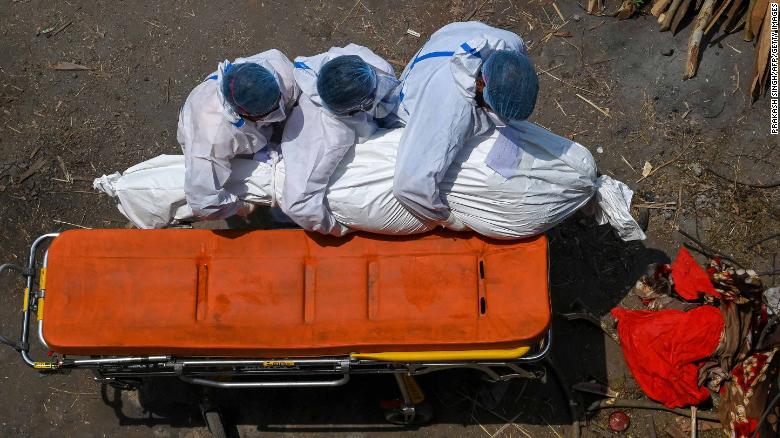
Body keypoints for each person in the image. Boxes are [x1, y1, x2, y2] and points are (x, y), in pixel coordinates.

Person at [392, 22, 538, 230]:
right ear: (479, 85)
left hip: (444, 42)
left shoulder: (511, 44)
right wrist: (449, 221)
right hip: (413, 92)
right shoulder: (450, 115)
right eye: (492, 109)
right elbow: (408, 187)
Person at [280, 44, 400, 235]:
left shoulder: (362, 67)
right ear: (352, 109)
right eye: (372, 98)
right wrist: (336, 228)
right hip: (300, 162)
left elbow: (387, 101)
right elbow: (297, 203)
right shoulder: (328, 140)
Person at [177, 49, 300, 219]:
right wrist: (240, 206)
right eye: (270, 112)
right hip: (213, 141)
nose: (278, 111)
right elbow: (203, 202)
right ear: (246, 114)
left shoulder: (281, 70)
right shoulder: (211, 140)